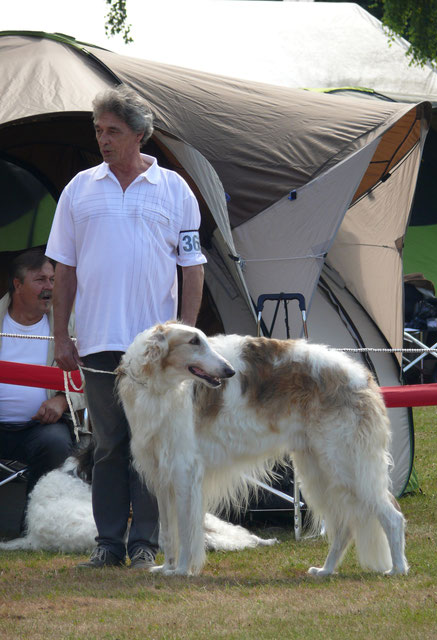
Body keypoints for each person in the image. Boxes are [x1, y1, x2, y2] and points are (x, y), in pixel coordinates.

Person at [46, 85, 206, 570]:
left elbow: (193, 266)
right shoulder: (78, 188)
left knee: (154, 447)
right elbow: (63, 269)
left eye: (113, 131)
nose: (103, 139)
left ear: (139, 134)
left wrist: (188, 338)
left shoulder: (176, 189)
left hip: (156, 350)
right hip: (98, 341)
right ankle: (110, 542)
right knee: (111, 445)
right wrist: (61, 337)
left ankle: (146, 544)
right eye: (98, 130)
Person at [0, 249, 83, 507]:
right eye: (40, 280)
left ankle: (34, 527)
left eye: (53, 280)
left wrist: (62, 400)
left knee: (56, 443)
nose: (49, 287)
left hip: (41, 428)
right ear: (17, 285)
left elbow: (89, 374)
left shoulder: (69, 325)